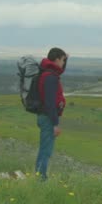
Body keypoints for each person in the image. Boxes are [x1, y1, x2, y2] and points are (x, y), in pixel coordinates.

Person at [35, 47, 68, 181]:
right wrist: (55, 124)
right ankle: (40, 179)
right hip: (48, 118)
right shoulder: (50, 78)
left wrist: (67, 59)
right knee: (46, 151)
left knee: (45, 149)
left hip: (44, 116)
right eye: (62, 60)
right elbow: (50, 103)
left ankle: (39, 176)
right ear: (56, 59)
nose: (63, 63)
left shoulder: (47, 73)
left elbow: (59, 70)